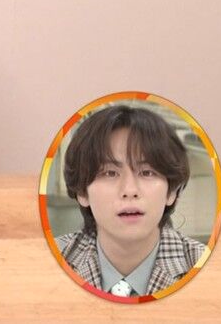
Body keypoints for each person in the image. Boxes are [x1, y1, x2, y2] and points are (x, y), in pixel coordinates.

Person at [54, 104, 207, 297]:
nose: (130, 190)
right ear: (82, 192)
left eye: (147, 172)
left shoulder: (206, 267)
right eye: (110, 173)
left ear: (171, 192)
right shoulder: (47, 261)